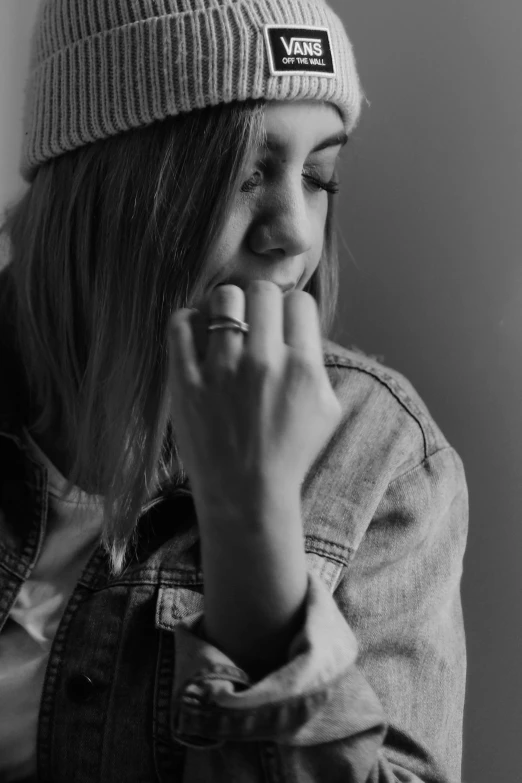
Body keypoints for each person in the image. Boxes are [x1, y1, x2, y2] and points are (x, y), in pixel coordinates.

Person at [0, 0, 468, 781]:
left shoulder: (382, 455)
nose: (295, 231)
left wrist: (255, 530)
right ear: (104, 184)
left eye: (321, 176)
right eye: (245, 172)